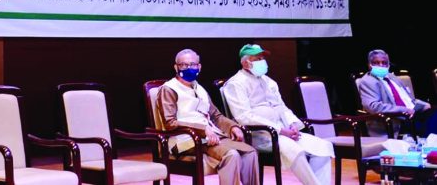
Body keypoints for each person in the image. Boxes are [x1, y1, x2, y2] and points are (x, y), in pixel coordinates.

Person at [224, 44, 333, 185]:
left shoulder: (269, 82)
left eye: (262, 58)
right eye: (257, 59)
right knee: (295, 150)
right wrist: (280, 130)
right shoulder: (235, 84)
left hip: (284, 131)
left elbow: (281, 107)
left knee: (322, 147)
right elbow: (244, 116)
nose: (262, 61)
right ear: (245, 63)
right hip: (260, 135)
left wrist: (293, 124)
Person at [156, 48, 259, 185]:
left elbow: (216, 116)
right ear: (176, 67)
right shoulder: (169, 89)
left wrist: (233, 127)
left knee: (250, 152)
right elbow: (170, 123)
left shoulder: (199, 88)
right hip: (185, 140)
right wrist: (202, 129)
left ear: (199, 67)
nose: (189, 68)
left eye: (193, 64)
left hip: (209, 138)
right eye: (184, 65)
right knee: (231, 154)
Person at [358, 49, 436, 136]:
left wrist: (424, 105)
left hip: (413, 114)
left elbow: (409, 99)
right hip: (396, 120)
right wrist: (404, 110)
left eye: (384, 62)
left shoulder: (392, 77)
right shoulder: (367, 81)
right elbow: (374, 106)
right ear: (369, 65)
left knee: (433, 113)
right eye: (376, 62)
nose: (381, 65)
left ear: (388, 64)